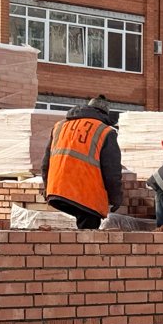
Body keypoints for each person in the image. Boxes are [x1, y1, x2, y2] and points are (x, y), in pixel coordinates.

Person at [42, 95, 122, 229]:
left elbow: (45, 163)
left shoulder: (60, 126)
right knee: (88, 233)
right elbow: (112, 171)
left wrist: (47, 188)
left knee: (81, 228)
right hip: (84, 195)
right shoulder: (105, 131)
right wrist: (116, 198)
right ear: (105, 113)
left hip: (56, 190)